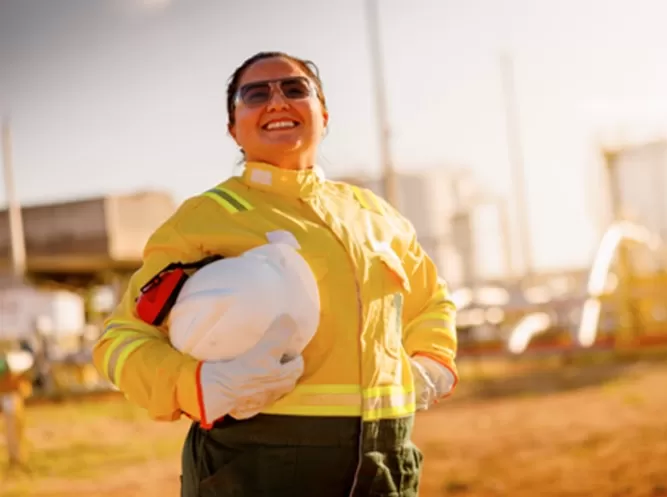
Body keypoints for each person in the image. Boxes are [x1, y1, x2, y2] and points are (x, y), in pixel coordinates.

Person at [92, 51, 459, 496]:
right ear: (233, 129)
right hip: (257, 466)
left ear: (323, 115)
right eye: (255, 93)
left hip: (384, 466)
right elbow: (122, 339)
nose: (277, 101)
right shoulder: (205, 218)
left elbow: (431, 300)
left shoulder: (375, 216)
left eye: (294, 88)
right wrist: (201, 385)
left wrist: (431, 363)